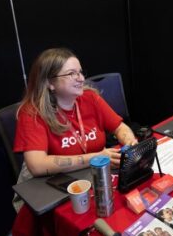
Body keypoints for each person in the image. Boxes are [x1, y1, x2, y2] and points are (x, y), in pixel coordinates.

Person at [14, 47, 137, 185]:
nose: (81, 79)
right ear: (50, 83)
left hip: (89, 175)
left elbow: (120, 128)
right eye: (71, 74)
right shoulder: (32, 113)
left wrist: (130, 143)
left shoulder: (91, 98)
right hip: (49, 185)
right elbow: (37, 166)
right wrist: (95, 157)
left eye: (80, 72)